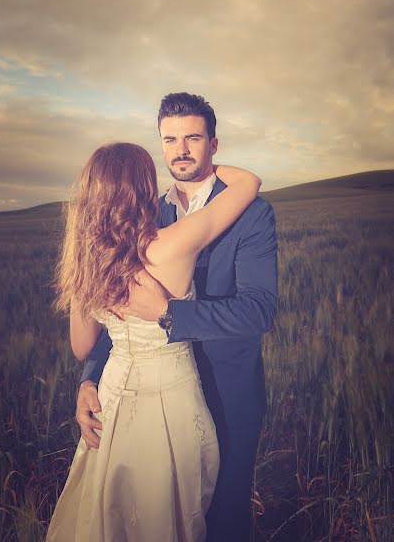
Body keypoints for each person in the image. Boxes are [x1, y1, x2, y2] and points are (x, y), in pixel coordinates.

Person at [77, 92, 278, 541]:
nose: (181, 149)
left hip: (227, 393)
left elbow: (259, 310)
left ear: (214, 144)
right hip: (147, 400)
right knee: (150, 516)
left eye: (193, 137)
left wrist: (171, 315)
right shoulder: (142, 213)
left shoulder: (253, 215)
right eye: (170, 139)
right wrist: (90, 376)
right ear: (160, 145)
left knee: (221, 519)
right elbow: (117, 309)